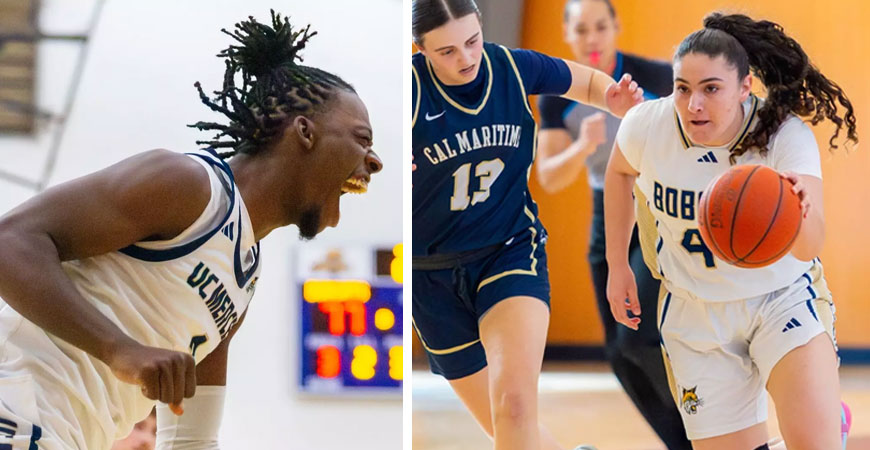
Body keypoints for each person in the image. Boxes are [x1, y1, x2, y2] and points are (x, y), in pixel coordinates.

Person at [0, 12, 382, 449]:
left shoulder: (243, 278)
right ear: (304, 132)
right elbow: (10, 242)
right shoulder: (186, 184)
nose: (373, 161)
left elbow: (190, 438)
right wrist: (119, 349)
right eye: (362, 138)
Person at [604, 12, 857, 450]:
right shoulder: (650, 125)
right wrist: (616, 265)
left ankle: (823, 420)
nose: (693, 104)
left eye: (711, 89)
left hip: (780, 298)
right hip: (694, 313)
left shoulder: (781, 134)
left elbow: (812, 244)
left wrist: (799, 212)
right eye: (682, 88)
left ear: (745, 88)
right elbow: (619, 172)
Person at [411, 1, 642, 449]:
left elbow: (589, 82)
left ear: (481, 26)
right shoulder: (410, 94)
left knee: (515, 406)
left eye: (472, 41)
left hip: (509, 250)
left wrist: (612, 97)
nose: (466, 59)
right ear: (419, 50)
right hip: (430, 277)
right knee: (514, 431)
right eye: (447, 52)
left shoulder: (513, 68)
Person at [535, 1, 689, 448]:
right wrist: (582, 146)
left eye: (601, 27)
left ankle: (709, 434)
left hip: (659, 212)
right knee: (620, 355)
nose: (592, 38)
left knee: (639, 338)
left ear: (615, 28)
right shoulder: (556, 96)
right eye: (581, 29)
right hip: (607, 212)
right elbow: (548, 175)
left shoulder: (657, 78)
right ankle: (683, 442)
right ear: (568, 35)